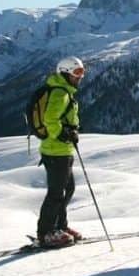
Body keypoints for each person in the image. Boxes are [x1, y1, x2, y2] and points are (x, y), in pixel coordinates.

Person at [36, 56, 85, 248]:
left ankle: (60, 226)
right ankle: (45, 233)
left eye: (82, 72)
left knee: (67, 189)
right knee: (56, 193)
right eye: (77, 72)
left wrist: (70, 132)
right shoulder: (59, 93)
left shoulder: (64, 91)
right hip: (55, 151)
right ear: (65, 73)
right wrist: (65, 134)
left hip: (62, 150)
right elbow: (50, 120)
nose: (80, 77)